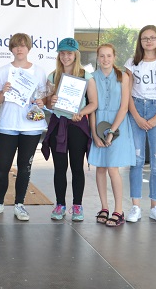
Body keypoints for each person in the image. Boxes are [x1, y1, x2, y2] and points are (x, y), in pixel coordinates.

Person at [0, 33, 48, 221]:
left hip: (31, 127)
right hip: (8, 125)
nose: (19, 49)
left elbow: (43, 98)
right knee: (2, 167)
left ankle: (20, 204)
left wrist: (41, 101)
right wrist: (3, 92)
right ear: (11, 49)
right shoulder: (3, 70)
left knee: (24, 167)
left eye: (23, 45)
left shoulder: (39, 71)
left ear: (29, 48)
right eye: (15, 46)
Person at [124, 25, 156, 224]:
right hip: (136, 110)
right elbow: (127, 94)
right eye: (145, 38)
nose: (149, 41)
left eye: (152, 37)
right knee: (136, 161)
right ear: (140, 41)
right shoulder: (132, 63)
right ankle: (136, 206)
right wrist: (136, 116)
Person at [42, 37, 97, 221]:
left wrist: (81, 112)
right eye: (62, 53)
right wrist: (52, 101)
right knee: (59, 167)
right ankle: (60, 205)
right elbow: (48, 104)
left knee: (77, 167)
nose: (66, 57)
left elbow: (94, 103)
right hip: (58, 124)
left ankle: (77, 205)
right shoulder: (53, 76)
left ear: (76, 55)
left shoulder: (86, 76)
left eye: (69, 53)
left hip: (77, 126)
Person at [87, 44, 135, 227]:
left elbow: (124, 107)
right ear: (97, 58)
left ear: (114, 57)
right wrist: (95, 133)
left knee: (113, 168)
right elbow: (92, 107)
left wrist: (112, 132)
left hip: (118, 124)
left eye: (108, 55)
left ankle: (119, 210)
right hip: (99, 123)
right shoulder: (91, 78)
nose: (105, 59)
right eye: (102, 56)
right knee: (100, 168)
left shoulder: (123, 77)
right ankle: (104, 207)